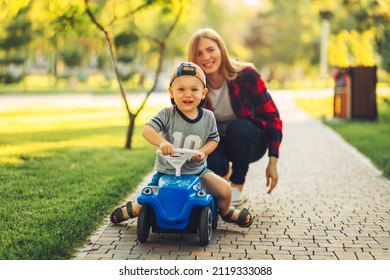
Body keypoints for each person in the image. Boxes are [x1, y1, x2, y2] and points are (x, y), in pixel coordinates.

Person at [110, 61, 253, 228]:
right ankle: (131, 210)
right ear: (171, 92)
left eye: (194, 89)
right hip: (166, 174)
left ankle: (226, 212)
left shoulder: (208, 117)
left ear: (203, 93)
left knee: (225, 190)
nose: (188, 95)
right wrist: (162, 142)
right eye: (181, 89)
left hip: (197, 172)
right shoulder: (167, 114)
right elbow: (147, 130)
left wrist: (203, 152)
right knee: (146, 199)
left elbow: (214, 139)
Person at [187, 28, 283, 206]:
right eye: (199, 53)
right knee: (209, 153)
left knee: (237, 127)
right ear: (193, 59)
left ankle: (237, 186)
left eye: (210, 50)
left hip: (250, 140)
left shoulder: (247, 75)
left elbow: (272, 118)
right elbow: (185, 123)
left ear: (221, 49)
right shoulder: (193, 86)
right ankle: (223, 177)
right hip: (217, 143)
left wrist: (273, 162)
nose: (206, 57)